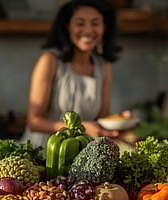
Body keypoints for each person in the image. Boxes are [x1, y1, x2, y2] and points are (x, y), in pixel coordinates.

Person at [22, 0, 130, 150]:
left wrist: (120, 124)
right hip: (44, 151)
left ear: (104, 27)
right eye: (80, 23)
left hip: (79, 156)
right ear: (68, 26)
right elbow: (34, 122)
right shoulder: (50, 61)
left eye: (95, 23)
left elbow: (102, 119)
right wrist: (81, 128)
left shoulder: (103, 66)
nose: (88, 30)